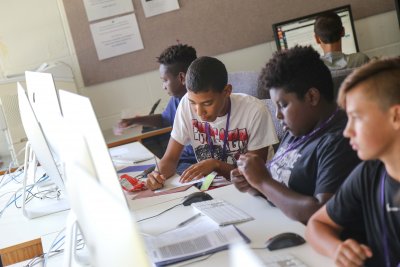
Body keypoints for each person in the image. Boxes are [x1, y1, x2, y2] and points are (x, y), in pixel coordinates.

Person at [231, 46, 360, 224]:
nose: (278, 115)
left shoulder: (339, 140)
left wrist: (262, 182)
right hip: (278, 222)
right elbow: (278, 183)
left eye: (283, 105)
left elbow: (323, 213)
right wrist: (250, 181)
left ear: (312, 97)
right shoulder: (298, 128)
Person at [305, 58, 400, 267]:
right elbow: (317, 223)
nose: (347, 132)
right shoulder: (370, 173)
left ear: (396, 116)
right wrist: (337, 249)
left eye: (356, 117)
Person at [146, 56, 278, 190]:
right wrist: (157, 175)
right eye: (193, 103)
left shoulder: (254, 111)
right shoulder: (185, 103)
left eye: (207, 103)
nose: (199, 112)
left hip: (251, 189)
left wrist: (217, 165)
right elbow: (170, 159)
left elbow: (254, 174)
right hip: (210, 187)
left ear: (227, 91)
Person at [118, 44, 197, 173]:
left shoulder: (206, 103)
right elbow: (164, 119)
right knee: (148, 174)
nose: (163, 86)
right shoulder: (178, 99)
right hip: (182, 158)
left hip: (197, 161)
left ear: (182, 78)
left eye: (165, 80)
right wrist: (133, 120)